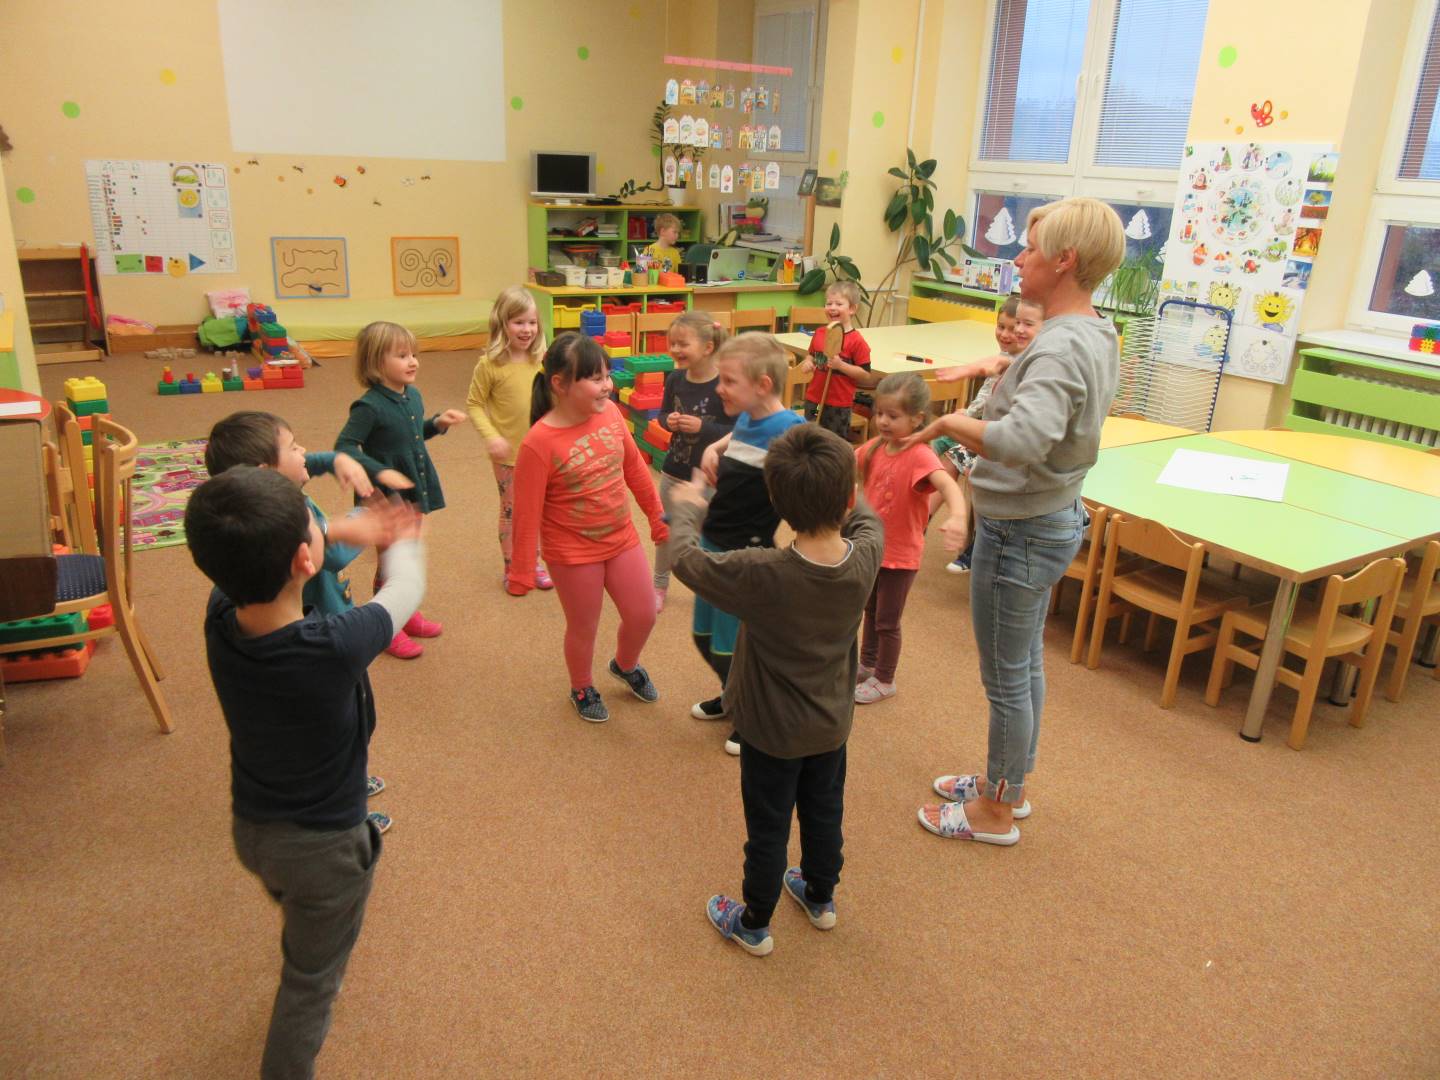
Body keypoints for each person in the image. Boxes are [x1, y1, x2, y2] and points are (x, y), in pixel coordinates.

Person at [185, 465, 425, 1079]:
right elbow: (405, 591)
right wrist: (402, 539)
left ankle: (302, 916)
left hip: (253, 829)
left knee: (297, 903)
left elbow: (283, 553)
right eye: (314, 525)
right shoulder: (336, 645)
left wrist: (341, 528)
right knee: (311, 980)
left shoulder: (220, 612)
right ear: (303, 559)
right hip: (324, 849)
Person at [907, 196, 1125, 845]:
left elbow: (1024, 439)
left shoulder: (1059, 346)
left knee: (1005, 678)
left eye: (1030, 250)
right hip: (1047, 515)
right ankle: (1009, 784)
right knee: (1023, 664)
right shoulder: (1093, 331)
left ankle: (996, 813)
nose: (1019, 260)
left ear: (1065, 261)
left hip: (1020, 530)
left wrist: (950, 423)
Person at [669, 425, 882, 956]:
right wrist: (846, 483)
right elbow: (868, 519)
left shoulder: (760, 572)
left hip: (768, 732)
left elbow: (686, 560)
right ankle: (821, 897)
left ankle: (754, 922)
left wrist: (689, 509)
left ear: (775, 501)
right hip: (831, 726)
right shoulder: (866, 554)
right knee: (824, 811)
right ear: (847, 498)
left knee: (768, 828)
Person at [204, 410, 411, 833]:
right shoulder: (292, 521)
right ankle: (349, 804)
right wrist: (362, 522)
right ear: (267, 474)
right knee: (350, 725)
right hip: (326, 639)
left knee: (337, 725)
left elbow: (302, 469)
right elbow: (329, 553)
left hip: (296, 641)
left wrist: (334, 460)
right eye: (294, 447)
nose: (304, 452)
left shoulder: (252, 516)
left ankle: (350, 779)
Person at [508, 333, 668, 723]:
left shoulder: (611, 413)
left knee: (644, 612)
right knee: (584, 627)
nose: (608, 385)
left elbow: (635, 468)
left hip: (620, 537)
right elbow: (526, 513)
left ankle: (625, 664)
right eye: (596, 379)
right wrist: (523, 570)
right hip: (572, 551)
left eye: (607, 375)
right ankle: (581, 685)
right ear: (560, 384)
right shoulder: (538, 443)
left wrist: (657, 517)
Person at [691, 333, 807, 754]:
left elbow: (820, 464)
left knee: (735, 646)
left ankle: (753, 713)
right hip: (713, 540)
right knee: (703, 636)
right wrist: (714, 446)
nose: (719, 388)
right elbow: (740, 436)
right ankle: (732, 694)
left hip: (745, 552)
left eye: (728, 381)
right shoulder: (746, 418)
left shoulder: (789, 428)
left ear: (762, 385)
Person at [335, 320, 466, 659]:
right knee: (390, 559)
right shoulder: (368, 406)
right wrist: (381, 471)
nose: (413, 361)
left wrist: (437, 424)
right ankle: (387, 624)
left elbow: (414, 434)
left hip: (413, 485)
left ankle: (405, 611)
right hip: (383, 495)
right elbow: (344, 446)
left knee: (407, 552)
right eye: (402, 355)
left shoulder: (413, 395)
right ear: (376, 363)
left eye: (414, 354)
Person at [853, 373, 968, 704]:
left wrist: (958, 516)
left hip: (901, 555)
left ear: (917, 419)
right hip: (873, 548)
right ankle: (868, 664)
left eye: (893, 416)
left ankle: (885, 679)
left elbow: (947, 485)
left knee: (888, 621)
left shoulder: (920, 455)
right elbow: (847, 459)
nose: (883, 422)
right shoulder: (876, 446)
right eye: (879, 413)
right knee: (870, 610)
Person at [933, 295, 1045, 574]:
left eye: (1016, 328)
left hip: (1002, 442)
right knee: (943, 455)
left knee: (974, 472)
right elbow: (985, 398)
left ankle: (977, 545)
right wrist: (968, 413)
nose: (1007, 334)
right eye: (1002, 327)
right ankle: (919, 521)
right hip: (985, 432)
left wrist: (969, 416)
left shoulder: (1028, 364)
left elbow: (1007, 414)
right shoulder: (1004, 358)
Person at [466, 286, 551, 589]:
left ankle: (534, 563)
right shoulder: (490, 364)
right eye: (518, 322)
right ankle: (513, 566)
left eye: (532, 322)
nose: (527, 329)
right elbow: (474, 404)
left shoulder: (543, 359)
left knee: (539, 510)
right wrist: (491, 436)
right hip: (509, 455)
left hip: (543, 452)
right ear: (502, 323)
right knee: (513, 511)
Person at [652, 310, 734, 612]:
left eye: (683, 344)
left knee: (707, 535)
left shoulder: (724, 384)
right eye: (672, 343)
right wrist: (668, 421)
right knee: (667, 530)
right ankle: (659, 583)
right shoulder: (675, 379)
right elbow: (662, 414)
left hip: (709, 478)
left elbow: (737, 431)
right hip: (673, 471)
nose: (675, 349)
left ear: (708, 347)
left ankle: (708, 586)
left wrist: (703, 428)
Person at [795, 280, 875, 437]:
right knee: (811, 435)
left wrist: (841, 366)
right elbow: (812, 354)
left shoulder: (857, 342)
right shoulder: (819, 333)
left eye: (839, 304)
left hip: (839, 405)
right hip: (815, 402)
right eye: (829, 303)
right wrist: (808, 362)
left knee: (832, 440)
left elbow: (865, 374)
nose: (832, 307)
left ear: (852, 309)